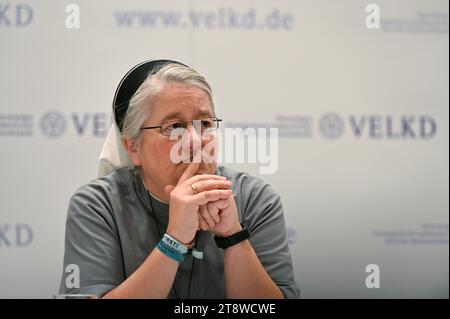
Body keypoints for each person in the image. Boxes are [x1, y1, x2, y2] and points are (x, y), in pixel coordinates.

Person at [59, 59, 300, 299]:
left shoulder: (254, 198)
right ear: (133, 148)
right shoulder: (97, 205)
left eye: (205, 124)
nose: (195, 141)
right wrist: (174, 240)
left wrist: (233, 236)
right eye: (174, 127)